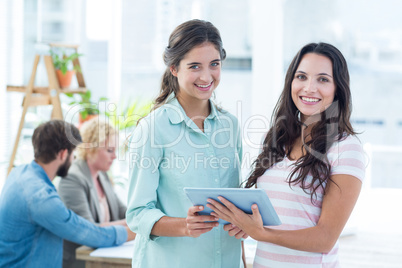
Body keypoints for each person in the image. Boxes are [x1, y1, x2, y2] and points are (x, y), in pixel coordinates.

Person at [207, 42, 366, 267]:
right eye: (301, 77)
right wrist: (245, 223)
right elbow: (275, 216)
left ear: (337, 89)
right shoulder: (276, 140)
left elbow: (325, 238)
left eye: (323, 79)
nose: (309, 88)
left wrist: (261, 234)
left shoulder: (346, 149)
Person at [125, 19, 246, 268]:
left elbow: (233, 201)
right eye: (194, 66)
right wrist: (184, 225)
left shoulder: (230, 125)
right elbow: (137, 214)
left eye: (214, 64)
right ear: (174, 68)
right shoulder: (153, 129)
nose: (206, 76)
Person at [0, 120, 134, 268]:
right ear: (64, 154)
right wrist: (136, 231)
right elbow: (85, 231)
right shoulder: (40, 197)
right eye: (73, 154)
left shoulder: (19, 173)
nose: (74, 159)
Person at [59, 118, 135, 268]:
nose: (114, 156)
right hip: (79, 260)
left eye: (115, 150)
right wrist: (132, 224)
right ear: (90, 148)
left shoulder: (102, 175)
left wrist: (138, 216)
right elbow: (88, 228)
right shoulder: (72, 178)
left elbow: (124, 212)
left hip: (102, 255)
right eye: (109, 150)